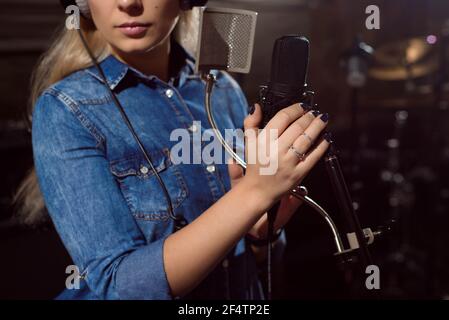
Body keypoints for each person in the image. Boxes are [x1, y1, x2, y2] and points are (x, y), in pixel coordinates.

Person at [15, 0, 330, 300]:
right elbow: (117, 286)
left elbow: (259, 264)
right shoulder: (65, 110)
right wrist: (253, 194)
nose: (128, 3)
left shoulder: (221, 88)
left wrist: (259, 235)